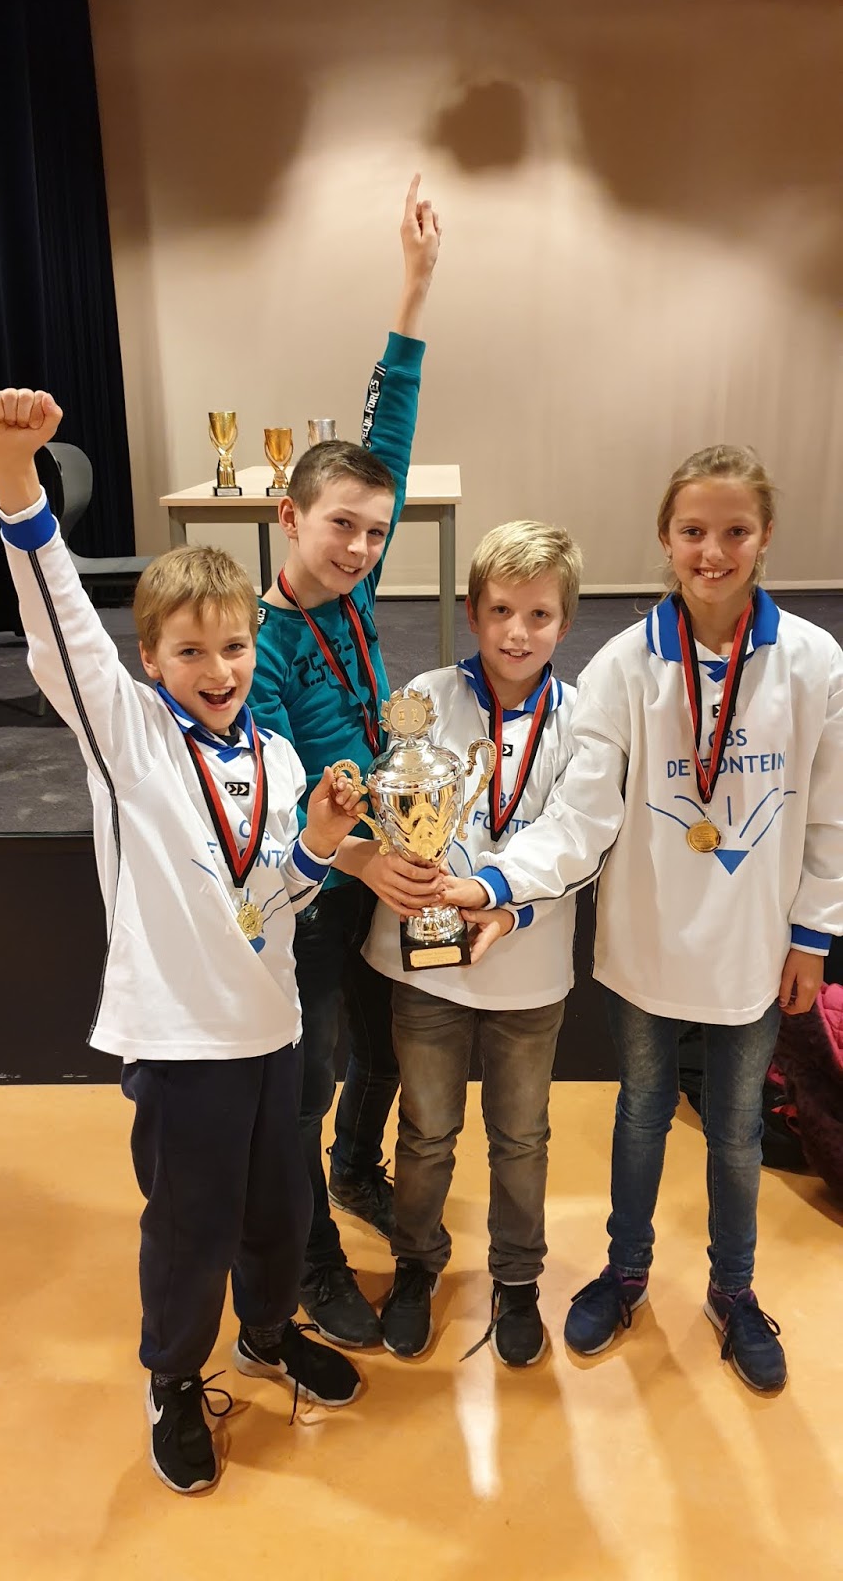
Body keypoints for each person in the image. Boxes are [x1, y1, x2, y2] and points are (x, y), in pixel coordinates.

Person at [0, 387, 367, 1494]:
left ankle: (267, 1334)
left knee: (280, 1215)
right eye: (190, 650)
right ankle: (174, 1378)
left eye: (234, 645)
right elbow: (59, 621)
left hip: (271, 1030)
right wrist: (15, 479)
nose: (219, 669)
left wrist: (319, 845)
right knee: (192, 1230)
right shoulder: (128, 734)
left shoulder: (278, 759)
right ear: (150, 659)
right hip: (184, 1042)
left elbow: (274, 896)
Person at [439, 444, 843, 1392]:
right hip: (648, 942)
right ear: (666, 537)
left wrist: (814, 935)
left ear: (765, 537)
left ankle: (734, 1290)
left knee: (737, 1131)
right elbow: (583, 816)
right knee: (642, 1114)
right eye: (694, 531)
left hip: (754, 947)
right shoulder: (624, 666)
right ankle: (626, 1275)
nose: (713, 551)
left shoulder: (814, 661)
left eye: (735, 531)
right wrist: (501, 884)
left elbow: (831, 810)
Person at [248, 175, 442, 1347]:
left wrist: (413, 291)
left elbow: (391, 438)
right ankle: (312, 1257)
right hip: (315, 886)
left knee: (384, 1045)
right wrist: (364, 859)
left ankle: (358, 1171)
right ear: (289, 517)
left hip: (378, 865)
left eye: (375, 530)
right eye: (340, 526)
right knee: (310, 1073)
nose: (363, 547)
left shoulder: (355, 588)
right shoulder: (260, 649)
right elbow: (280, 812)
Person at [362, 522, 582, 1365]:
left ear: (565, 621)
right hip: (429, 969)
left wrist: (508, 907)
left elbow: (579, 839)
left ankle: (518, 1278)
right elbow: (395, 814)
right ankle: (416, 1264)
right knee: (425, 1131)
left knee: (522, 1138)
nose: (516, 633)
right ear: (471, 611)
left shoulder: (581, 722)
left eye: (538, 615)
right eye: (499, 611)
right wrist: (401, 869)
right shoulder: (424, 700)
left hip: (529, 969)